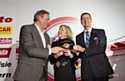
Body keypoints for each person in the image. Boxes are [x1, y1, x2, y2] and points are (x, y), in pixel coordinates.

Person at [13, 10, 63, 81]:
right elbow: (30, 50)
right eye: (47, 19)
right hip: (27, 75)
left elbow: (44, 54)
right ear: (40, 18)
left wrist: (55, 56)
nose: (49, 22)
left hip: (42, 76)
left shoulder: (46, 36)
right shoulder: (27, 29)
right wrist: (51, 50)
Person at [73, 12, 114, 81]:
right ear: (81, 22)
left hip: (100, 69)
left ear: (91, 20)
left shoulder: (100, 32)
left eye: (87, 18)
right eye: (83, 19)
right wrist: (75, 52)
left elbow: (101, 48)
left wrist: (84, 50)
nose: (86, 20)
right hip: (86, 71)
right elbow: (81, 54)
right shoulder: (78, 37)